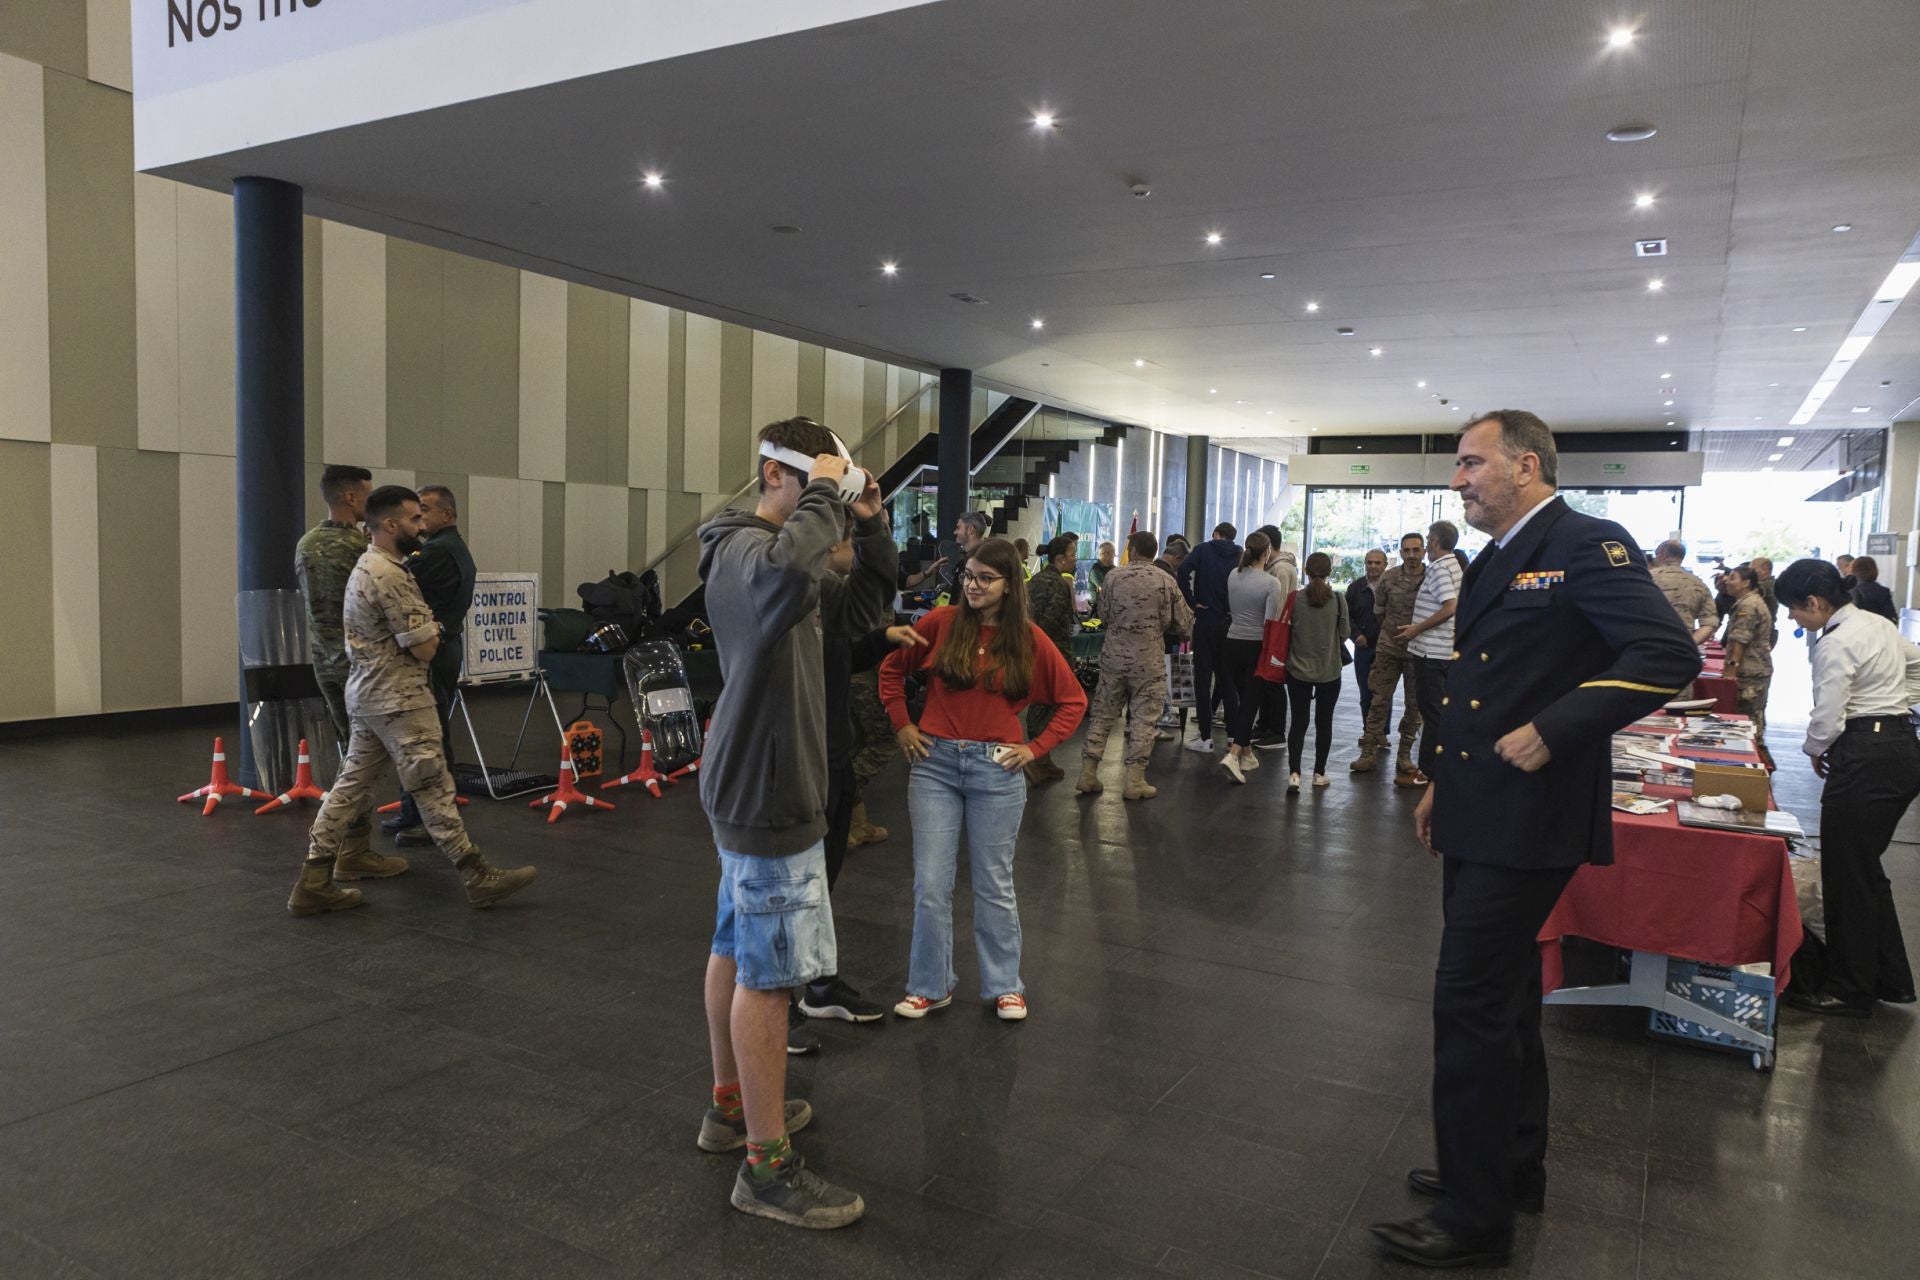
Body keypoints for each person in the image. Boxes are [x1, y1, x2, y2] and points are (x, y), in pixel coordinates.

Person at [1371, 410, 1698, 1270]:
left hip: (1532, 814)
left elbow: (1665, 653)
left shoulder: (1588, 543)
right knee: (1507, 998)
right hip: (1483, 806)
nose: (1457, 480)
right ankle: (1509, 1171)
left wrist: (1559, 727)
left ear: (1525, 465)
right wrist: (1444, 776)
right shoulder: (1492, 558)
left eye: (1471, 463)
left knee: (1468, 1004)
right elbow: (1483, 684)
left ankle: (1475, 1218)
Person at [694, 417, 865, 1230]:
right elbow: (787, 571)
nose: (822, 509)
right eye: (812, 486)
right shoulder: (739, 555)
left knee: (736, 946)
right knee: (770, 977)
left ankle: (731, 1109)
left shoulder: (778, 558)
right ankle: (764, 1171)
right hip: (766, 790)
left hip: (764, 779)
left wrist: (857, 510)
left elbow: (854, 594)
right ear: (774, 475)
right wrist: (828, 493)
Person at [287, 485, 537, 918]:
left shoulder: (366, 565)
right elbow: (423, 648)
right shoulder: (390, 574)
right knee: (434, 784)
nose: (422, 526)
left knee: (349, 787)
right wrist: (436, 629)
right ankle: (477, 875)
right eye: (414, 519)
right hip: (400, 699)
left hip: (367, 695)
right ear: (389, 525)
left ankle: (314, 878)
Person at [881, 536, 1087, 1023]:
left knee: (993, 883)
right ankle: (929, 985)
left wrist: (1034, 749)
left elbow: (1073, 701)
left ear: (1009, 585)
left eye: (984, 578)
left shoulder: (1029, 640)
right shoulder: (939, 623)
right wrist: (902, 724)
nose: (972, 585)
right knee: (931, 884)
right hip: (933, 763)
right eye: (968, 576)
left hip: (996, 769)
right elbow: (891, 671)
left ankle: (1004, 986)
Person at [798, 479, 920, 1031]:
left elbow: (837, 657)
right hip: (799, 765)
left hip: (833, 754)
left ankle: (817, 984)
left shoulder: (827, 599)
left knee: (821, 880)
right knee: (789, 892)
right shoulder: (779, 586)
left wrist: (880, 640)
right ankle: (784, 1006)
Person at [1774, 558, 1920, 1017]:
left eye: (1794, 610)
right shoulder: (1876, 624)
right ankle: (1889, 979)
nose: (1793, 619)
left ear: (1814, 603)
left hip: (1865, 757)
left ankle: (1850, 987)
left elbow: (1829, 715)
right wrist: (1895, 702)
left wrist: (1815, 749)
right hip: (1899, 749)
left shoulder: (1834, 643)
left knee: (1846, 876)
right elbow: (1917, 664)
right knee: (1864, 872)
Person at [386, 484, 477, 848]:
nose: (419, 517)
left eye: (424, 510)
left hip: (432, 650)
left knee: (423, 736)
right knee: (431, 733)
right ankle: (426, 813)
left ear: (448, 515)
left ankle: (426, 817)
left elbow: (397, 588)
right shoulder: (452, 548)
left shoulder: (437, 551)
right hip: (443, 646)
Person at [1078, 529, 1193, 799]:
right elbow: (1184, 623)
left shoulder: (1113, 577)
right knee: (1143, 720)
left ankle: (1087, 773)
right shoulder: (1165, 580)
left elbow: (1103, 614)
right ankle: (1135, 781)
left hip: (1113, 657)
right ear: (1154, 552)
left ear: (1132, 549)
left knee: (1103, 715)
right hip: (1148, 660)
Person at [295, 465, 373, 746]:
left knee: (348, 744)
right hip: (359, 663)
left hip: (323, 661)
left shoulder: (306, 543)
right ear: (351, 498)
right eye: (368, 496)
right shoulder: (362, 549)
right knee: (366, 749)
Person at [1352, 532, 1427, 783]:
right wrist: (1392, 633)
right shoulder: (1389, 577)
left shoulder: (1431, 578)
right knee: (1378, 700)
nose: (1411, 555)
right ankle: (1369, 752)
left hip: (1418, 650)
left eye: (1416, 550)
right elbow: (1379, 611)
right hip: (1388, 648)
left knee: (1414, 705)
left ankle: (1404, 755)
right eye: (1406, 550)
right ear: (1401, 553)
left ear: (1424, 551)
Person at [1400, 520, 1463, 786]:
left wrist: (1416, 629)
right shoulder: (1454, 564)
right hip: (1443, 650)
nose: (1425, 545)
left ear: (1435, 542)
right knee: (1437, 712)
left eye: (1427, 539)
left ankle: (1427, 771)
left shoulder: (1438, 568)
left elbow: (1450, 606)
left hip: (1431, 653)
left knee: (1431, 713)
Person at [1219, 531, 1282, 785]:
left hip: (1232, 643)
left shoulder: (1234, 574)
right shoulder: (1271, 583)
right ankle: (1234, 754)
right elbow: (1270, 622)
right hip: (1256, 646)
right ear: (1267, 553)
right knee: (1250, 704)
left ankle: (1246, 753)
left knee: (1242, 699)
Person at [1284, 552, 1349, 792]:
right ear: (1330, 572)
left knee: (1298, 724)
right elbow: (1344, 634)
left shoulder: (1294, 599)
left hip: (1297, 671)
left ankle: (1294, 774)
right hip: (1329, 671)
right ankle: (1319, 773)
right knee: (1324, 723)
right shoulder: (1338, 600)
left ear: (1306, 570)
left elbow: (1286, 633)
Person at [1176, 522, 1241, 753]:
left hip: (1206, 620)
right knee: (1227, 681)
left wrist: (1192, 601)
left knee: (1203, 680)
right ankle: (1234, 736)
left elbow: (1182, 571)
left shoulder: (1203, 549)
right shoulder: (1240, 554)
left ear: (1215, 534)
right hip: (1229, 623)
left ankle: (1205, 736)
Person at [1022, 536, 1079, 784]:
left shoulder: (1035, 580)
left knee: (1040, 704)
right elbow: (1052, 623)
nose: (1075, 559)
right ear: (1060, 559)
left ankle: (1042, 760)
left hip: (1033, 652)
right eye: (1073, 555)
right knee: (1046, 706)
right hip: (1051, 654)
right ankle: (1037, 758)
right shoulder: (1057, 585)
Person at [1721, 564, 1777, 769]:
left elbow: (1740, 640)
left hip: (1750, 671)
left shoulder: (1748, 606)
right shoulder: (1748, 601)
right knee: (1753, 718)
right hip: (1756, 669)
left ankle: (1758, 767)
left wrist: (1731, 669)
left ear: (1746, 583)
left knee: (1748, 721)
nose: (1728, 581)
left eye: (1733, 578)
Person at [1250, 527, 1297, 751]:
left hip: (1276, 631)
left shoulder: (1281, 570)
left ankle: (1276, 731)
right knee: (1264, 680)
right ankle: (1264, 724)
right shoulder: (1273, 567)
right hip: (1269, 629)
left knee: (1274, 681)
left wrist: (1272, 632)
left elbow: (1279, 605)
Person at [1649, 539, 1718, 644]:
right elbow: (1709, 623)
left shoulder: (1647, 578)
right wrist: (1690, 644)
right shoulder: (1699, 584)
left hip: (1649, 644)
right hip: (1683, 648)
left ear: (1662, 554)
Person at [1348, 549, 1387, 727]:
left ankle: (1382, 732)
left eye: (1377, 562)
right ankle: (1368, 730)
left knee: (1384, 693)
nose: (1373, 566)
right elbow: (1346, 617)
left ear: (1385, 565)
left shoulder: (1391, 587)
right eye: (1369, 562)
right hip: (1363, 648)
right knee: (1365, 692)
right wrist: (1356, 635)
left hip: (1386, 648)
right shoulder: (1355, 588)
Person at [1850, 555, 1899, 624]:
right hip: (1880, 630)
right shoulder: (1884, 591)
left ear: (1854, 571)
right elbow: (1892, 617)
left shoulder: (1852, 592)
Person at [1751, 555, 1780, 646]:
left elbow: (1760, 590)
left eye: (1752, 570)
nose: (1749, 573)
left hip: (1764, 634)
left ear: (1766, 571)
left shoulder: (1769, 586)